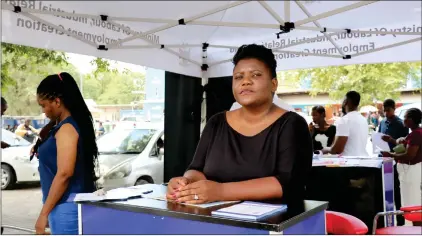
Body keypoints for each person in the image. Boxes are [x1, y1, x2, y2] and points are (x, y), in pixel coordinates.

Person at [166, 44, 313, 204]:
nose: (246, 82)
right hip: (214, 223)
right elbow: (196, 169)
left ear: (274, 84)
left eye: (256, 75)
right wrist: (186, 184)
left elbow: (288, 183)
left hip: (273, 225)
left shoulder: (292, 124)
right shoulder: (216, 123)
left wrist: (220, 191)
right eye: (238, 77)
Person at [33, 72, 98, 235]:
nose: (44, 111)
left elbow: (64, 173)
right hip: (65, 205)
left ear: (57, 101)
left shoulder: (67, 128)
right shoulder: (63, 126)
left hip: (67, 206)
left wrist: (43, 214)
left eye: (44, 105)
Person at [381, 108, 422, 226]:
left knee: (412, 200)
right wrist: (391, 140)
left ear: (411, 120)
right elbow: (404, 146)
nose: (403, 120)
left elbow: (409, 155)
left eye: (405, 117)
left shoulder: (416, 134)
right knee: (409, 200)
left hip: (412, 171)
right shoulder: (415, 133)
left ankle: (415, 228)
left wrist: (391, 155)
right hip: (409, 171)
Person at [379, 99, 408, 226]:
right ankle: (385, 219)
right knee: (385, 191)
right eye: (384, 110)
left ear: (394, 109)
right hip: (383, 160)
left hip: (396, 160)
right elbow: (380, 135)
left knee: (397, 193)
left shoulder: (401, 124)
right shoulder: (382, 122)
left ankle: (401, 222)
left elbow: (403, 145)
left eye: (388, 110)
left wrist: (391, 141)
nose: (386, 113)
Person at [322, 91, 368, 156]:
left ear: (345, 102)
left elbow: (338, 149)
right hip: (363, 161)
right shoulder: (363, 120)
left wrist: (325, 149)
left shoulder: (344, 120)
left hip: (349, 162)